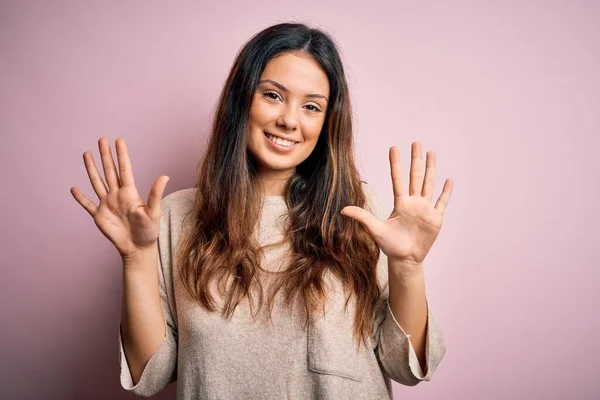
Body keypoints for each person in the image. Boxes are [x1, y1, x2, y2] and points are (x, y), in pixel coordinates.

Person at [70, 22, 453, 400]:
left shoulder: (361, 213)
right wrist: (136, 257)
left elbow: (406, 367)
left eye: (311, 106)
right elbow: (150, 375)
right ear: (241, 100)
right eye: (272, 95)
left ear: (327, 122)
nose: (289, 120)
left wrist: (407, 266)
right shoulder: (174, 217)